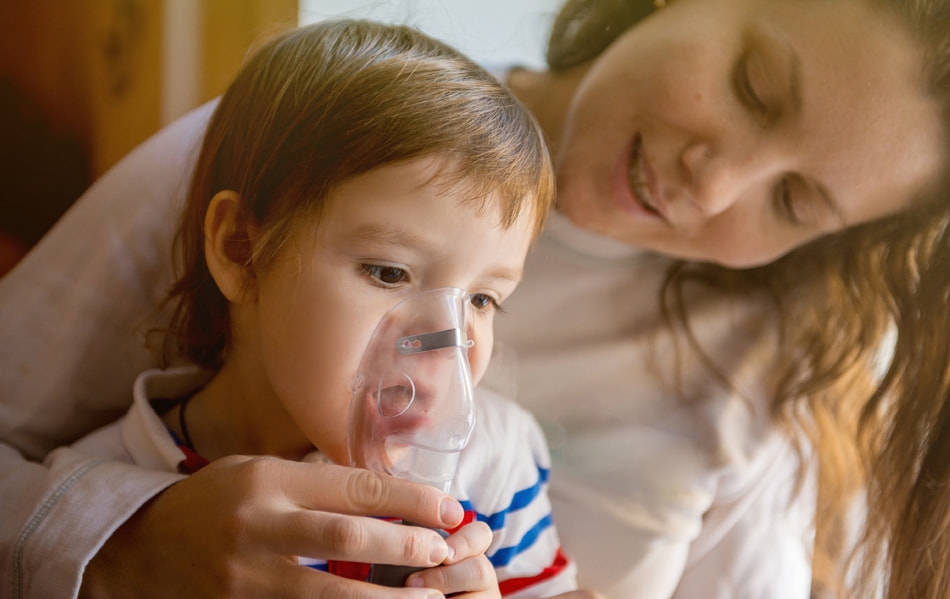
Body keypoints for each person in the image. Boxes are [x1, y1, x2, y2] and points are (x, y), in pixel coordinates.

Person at [2, 0, 949, 597]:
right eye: (751, 85)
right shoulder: (301, 151)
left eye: (792, 200)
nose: (713, 181)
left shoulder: (755, 374)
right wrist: (124, 546)